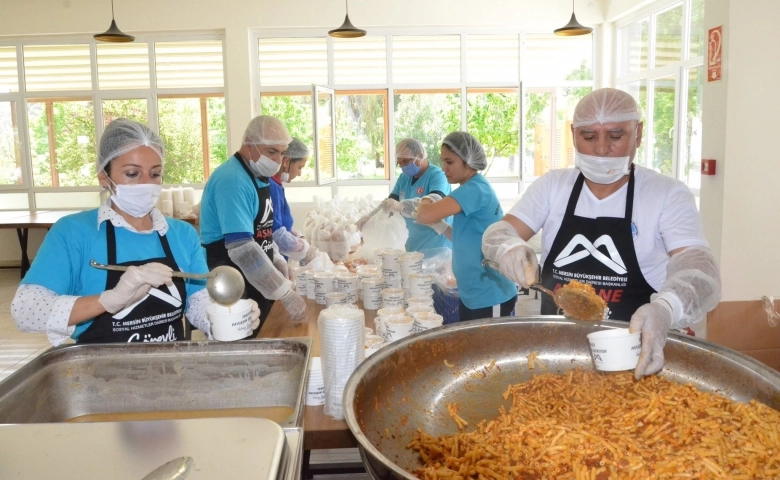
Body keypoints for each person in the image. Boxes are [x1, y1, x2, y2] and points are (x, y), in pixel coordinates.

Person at [481, 88, 721, 379]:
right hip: (556, 353)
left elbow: (699, 268)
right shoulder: (554, 186)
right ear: (573, 135)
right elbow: (500, 231)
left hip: (634, 354)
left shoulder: (665, 194)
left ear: (638, 134)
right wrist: (507, 247)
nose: (601, 148)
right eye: (589, 136)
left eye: (616, 136)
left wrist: (666, 308)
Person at [10, 118, 258, 344]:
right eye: (132, 173)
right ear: (104, 177)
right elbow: (26, 310)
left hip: (170, 373)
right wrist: (108, 300)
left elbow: (197, 301)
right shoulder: (73, 232)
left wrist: (223, 319)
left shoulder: (182, 234)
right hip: (99, 376)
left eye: (155, 174)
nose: (146, 184)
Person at [200, 115, 306, 336]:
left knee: (266, 333)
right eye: (271, 152)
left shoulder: (258, 174)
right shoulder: (233, 180)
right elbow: (243, 249)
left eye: (281, 153)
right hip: (233, 280)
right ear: (249, 144)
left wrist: (275, 258)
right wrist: (284, 292)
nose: (278, 160)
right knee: (242, 342)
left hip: (255, 277)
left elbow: (262, 230)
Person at [416, 132, 517, 321]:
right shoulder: (472, 187)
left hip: (490, 294)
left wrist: (427, 198)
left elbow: (423, 214)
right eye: (442, 161)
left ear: (468, 161)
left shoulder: (474, 189)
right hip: (474, 294)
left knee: (487, 349)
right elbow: (465, 238)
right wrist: (442, 226)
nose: (444, 168)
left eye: (450, 162)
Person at [356, 138, 452, 252]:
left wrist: (401, 206)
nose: (403, 166)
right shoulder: (404, 178)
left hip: (436, 245)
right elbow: (390, 202)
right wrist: (370, 217)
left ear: (420, 155)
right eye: (399, 163)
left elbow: (433, 202)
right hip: (412, 244)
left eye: (406, 161)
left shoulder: (437, 176)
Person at [269, 137, 319, 263]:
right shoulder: (271, 187)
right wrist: (304, 250)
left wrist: (298, 237)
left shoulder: (277, 185)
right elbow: (275, 232)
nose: (299, 173)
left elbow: (281, 222)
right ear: (286, 161)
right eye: (299, 167)